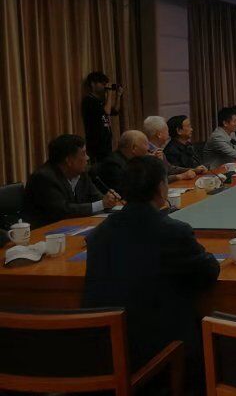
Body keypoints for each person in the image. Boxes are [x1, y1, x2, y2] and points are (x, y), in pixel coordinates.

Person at [83, 156, 219, 384]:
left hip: (103, 351)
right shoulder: (173, 231)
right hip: (158, 355)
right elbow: (208, 273)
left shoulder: (99, 233)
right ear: (160, 187)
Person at [23, 134, 121, 228]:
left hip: (75, 226)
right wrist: (102, 204)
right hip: (46, 232)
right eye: (83, 154)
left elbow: (97, 198)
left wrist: (109, 200)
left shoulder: (81, 174)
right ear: (69, 160)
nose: (88, 158)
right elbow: (63, 211)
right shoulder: (44, 178)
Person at [142, 116, 204, 182]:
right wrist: (181, 176)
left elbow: (170, 168)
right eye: (166, 130)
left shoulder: (158, 150)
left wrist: (194, 170)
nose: (168, 133)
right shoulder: (145, 152)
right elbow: (155, 180)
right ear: (159, 134)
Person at [81, 71, 123, 162]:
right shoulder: (89, 100)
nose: (105, 86)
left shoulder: (100, 100)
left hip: (106, 139)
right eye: (103, 84)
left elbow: (115, 111)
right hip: (96, 141)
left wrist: (118, 95)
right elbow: (106, 112)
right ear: (93, 84)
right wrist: (109, 94)